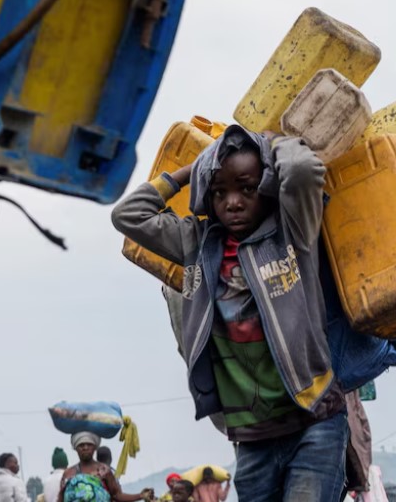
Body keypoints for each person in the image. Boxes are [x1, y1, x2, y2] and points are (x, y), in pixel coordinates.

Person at [112, 125, 348, 501]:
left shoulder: (293, 231)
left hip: (314, 422)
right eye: (219, 192)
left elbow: (302, 170)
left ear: (267, 187)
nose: (233, 202)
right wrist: (191, 171)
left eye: (247, 188)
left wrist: (272, 144)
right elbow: (128, 215)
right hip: (252, 441)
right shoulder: (195, 244)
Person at [59, 432, 151, 502]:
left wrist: (140, 495)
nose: (85, 448)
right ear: (76, 448)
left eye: (89, 444)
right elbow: (61, 498)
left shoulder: (104, 470)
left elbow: (117, 495)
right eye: (81, 445)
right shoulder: (69, 473)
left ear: (95, 447)